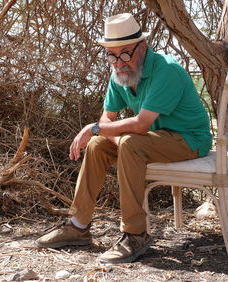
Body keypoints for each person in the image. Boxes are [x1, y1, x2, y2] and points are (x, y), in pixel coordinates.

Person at [35, 13, 212, 264]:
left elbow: (140, 125)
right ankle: (78, 225)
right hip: (153, 139)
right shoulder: (120, 72)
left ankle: (135, 234)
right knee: (98, 144)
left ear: (143, 46)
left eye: (126, 52)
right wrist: (114, 140)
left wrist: (104, 133)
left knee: (121, 140)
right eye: (112, 54)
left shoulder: (166, 70)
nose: (119, 62)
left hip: (189, 140)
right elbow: (107, 121)